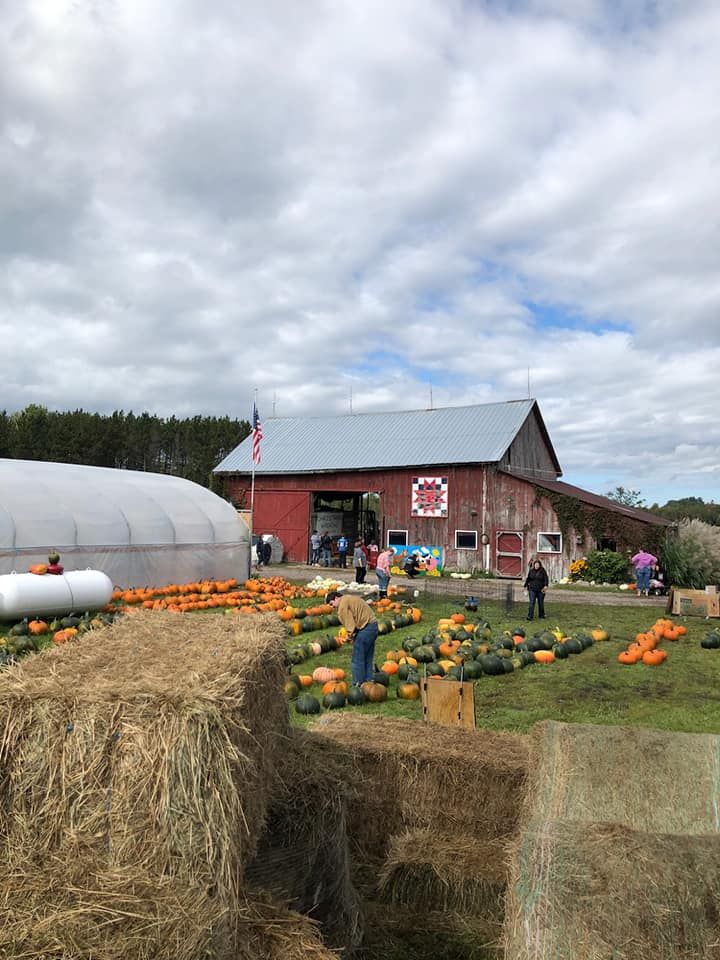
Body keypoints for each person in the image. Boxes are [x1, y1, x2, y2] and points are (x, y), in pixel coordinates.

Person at [326, 589, 378, 685]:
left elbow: (350, 625)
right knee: (367, 657)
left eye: (331, 603)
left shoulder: (342, 605)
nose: (332, 606)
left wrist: (349, 637)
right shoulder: (349, 598)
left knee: (357, 659)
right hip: (373, 626)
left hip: (365, 629)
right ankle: (369, 682)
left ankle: (357, 684)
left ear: (336, 598)